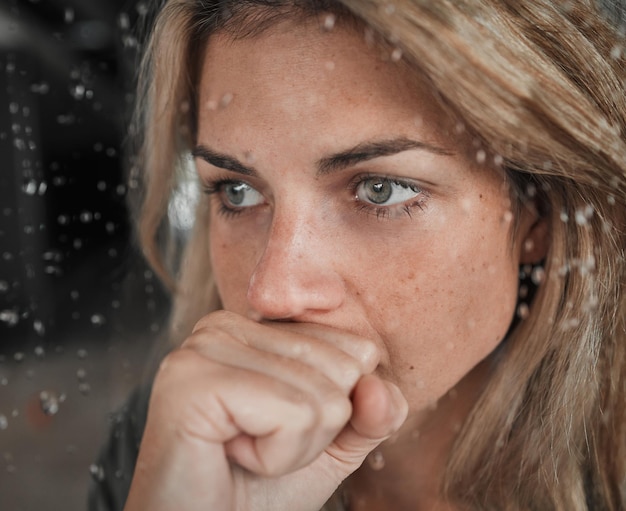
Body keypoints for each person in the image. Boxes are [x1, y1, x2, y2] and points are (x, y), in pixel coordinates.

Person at [89, 0, 626, 509]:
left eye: (380, 190)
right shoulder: (177, 447)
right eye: (237, 192)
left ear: (539, 209)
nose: (272, 291)